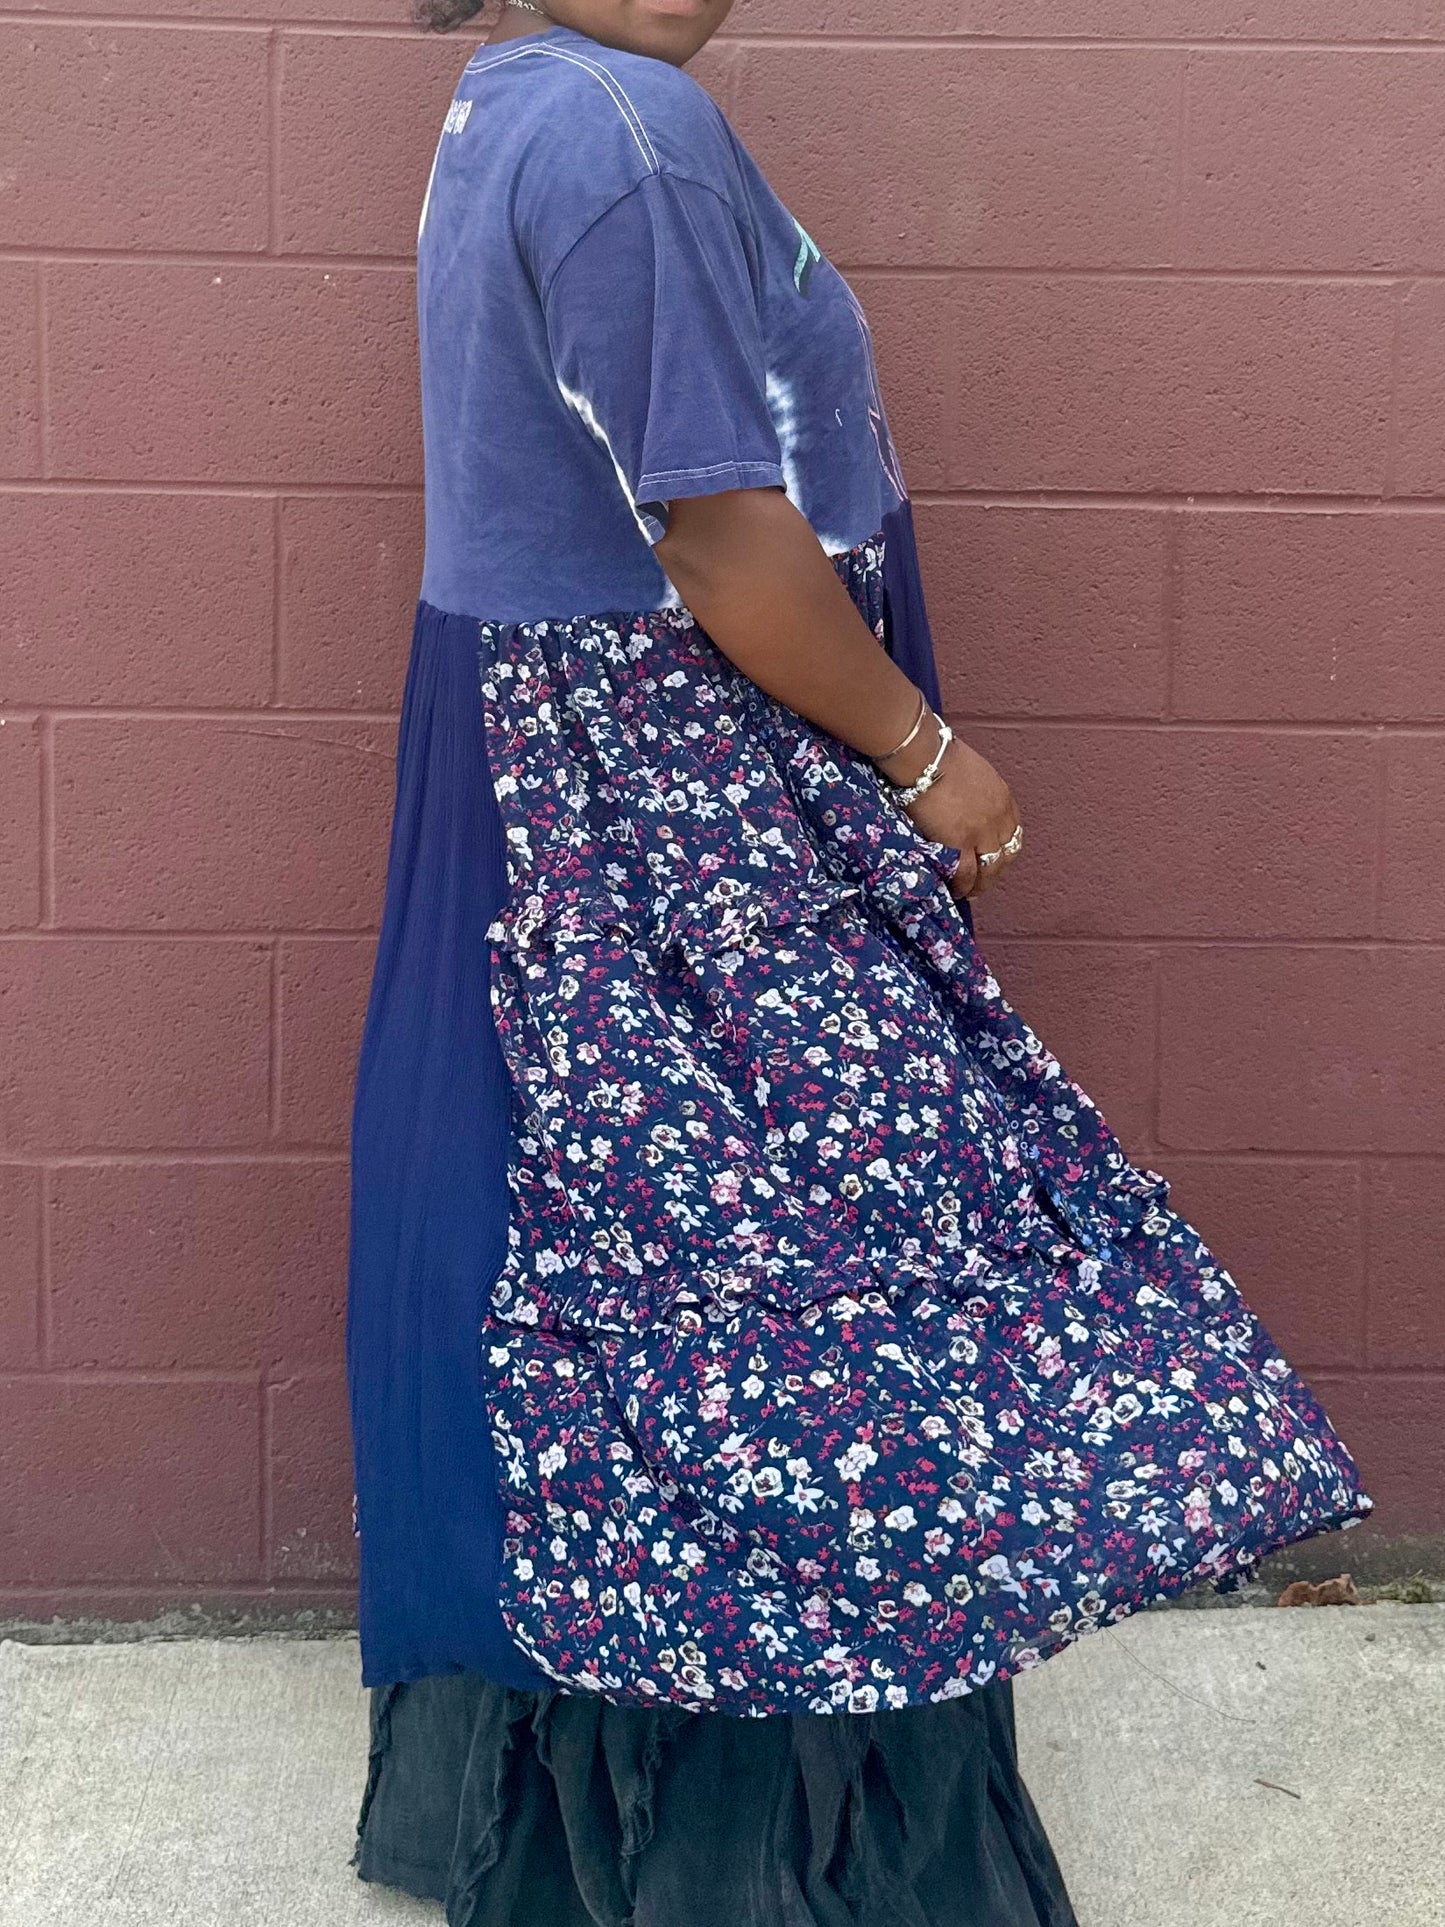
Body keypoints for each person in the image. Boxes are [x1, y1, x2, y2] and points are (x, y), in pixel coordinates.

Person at [346, 2, 1374, 1921]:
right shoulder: (625, 134)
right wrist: (921, 753)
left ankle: (612, 1803)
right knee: (797, 1284)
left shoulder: (520, 97)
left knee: (635, 1266)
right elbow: (721, 537)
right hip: (673, 777)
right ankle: (769, 1858)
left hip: (592, 752)